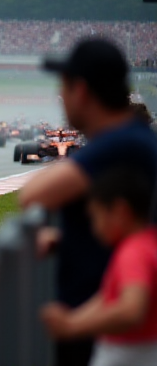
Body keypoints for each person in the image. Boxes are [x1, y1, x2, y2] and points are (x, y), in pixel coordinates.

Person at [19, 38, 157, 366]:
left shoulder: (119, 143)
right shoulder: (135, 138)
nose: (61, 98)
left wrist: (72, 325)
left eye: (63, 88)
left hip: (105, 328)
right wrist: (67, 239)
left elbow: (32, 195)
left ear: (80, 91)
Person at [42, 167, 157, 366]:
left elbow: (131, 310)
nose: (94, 228)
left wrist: (72, 327)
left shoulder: (133, 254)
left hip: (128, 353)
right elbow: (107, 297)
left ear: (120, 211)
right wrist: (72, 321)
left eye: (95, 217)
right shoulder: (147, 243)